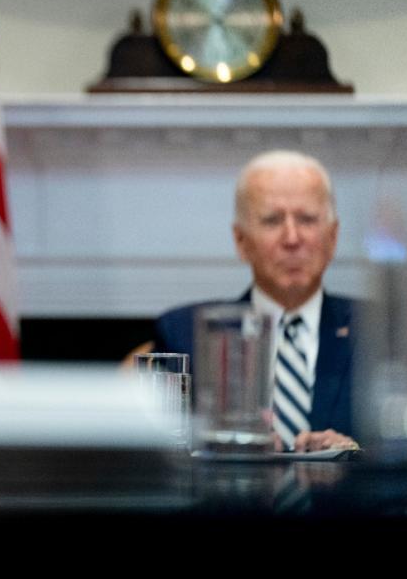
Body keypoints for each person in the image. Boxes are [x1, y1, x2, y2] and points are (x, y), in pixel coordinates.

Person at [151, 150, 359, 453]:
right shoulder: (184, 333)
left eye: (307, 219)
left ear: (333, 236)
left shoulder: (380, 330)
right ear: (241, 241)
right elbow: (160, 452)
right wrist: (222, 450)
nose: (292, 238)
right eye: (272, 220)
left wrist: (354, 456)